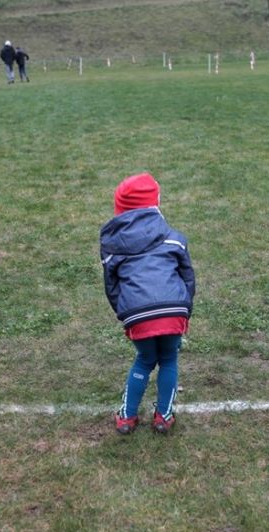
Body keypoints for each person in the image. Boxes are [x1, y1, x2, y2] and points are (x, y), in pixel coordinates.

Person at [100, 173, 195, 435]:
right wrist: (184, 309)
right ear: (155, 205)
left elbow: (112, 286)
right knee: (168, 359)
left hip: (136, 313)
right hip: (173, 311)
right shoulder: (175, 239)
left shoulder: (111, 245)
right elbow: (188, 278)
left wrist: (125, 312)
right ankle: (163, 416)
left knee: (144, 359)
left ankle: (127, 417)